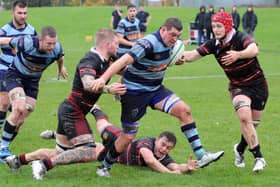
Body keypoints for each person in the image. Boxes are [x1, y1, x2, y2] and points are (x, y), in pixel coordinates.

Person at [90, 17, 224, 177]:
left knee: (184, 111)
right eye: (172, 35)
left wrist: (177, 60)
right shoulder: (147, 43)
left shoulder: (174, 45)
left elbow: (166, 59)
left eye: (178, 36)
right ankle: (105, 166)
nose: (175, 39)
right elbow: (124, 60)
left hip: (155, 90)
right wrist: (103, 79)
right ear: (163, 30)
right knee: (127, 136)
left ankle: (201, 155)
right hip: (134, 93)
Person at [5, 29, 126, 180]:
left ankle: (17, 160)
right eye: (116, 44)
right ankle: (43, 165)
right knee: (88, 150)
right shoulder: (90, 60)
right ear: (108, 45)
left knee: (60, 152)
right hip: (72, 111)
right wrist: (109, 88)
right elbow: (88, 84)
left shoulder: (109, 59)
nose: (118, 47)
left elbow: (126, 68)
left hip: (73, 110)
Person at [179, 11, 268, 172]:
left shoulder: (240, 37)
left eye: (219, 26)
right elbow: (192, 55)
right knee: (244, 118)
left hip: (259, 85)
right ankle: (258, 158)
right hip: (238, 87)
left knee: (252, 125)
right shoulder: (214, 44)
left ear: (227, 25)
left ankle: (240, 149)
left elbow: (254, 50)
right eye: (213, 26)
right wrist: (174, 56)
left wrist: (238, 55)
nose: (216, 29)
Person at [6, 106, 199, 178]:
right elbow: (150, 161)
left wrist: (186, 168)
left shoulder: (162, 154)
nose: (164, 149)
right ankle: (95, 108)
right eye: (163, 144)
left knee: (58, 153)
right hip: (110, 145)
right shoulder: (146, 144)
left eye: (168, 148)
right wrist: (171, 175)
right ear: (156, 140)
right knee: (104, 125)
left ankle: (17, 160)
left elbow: (174, 165)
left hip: (104, 152)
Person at [0, 26, 68, 162]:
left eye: (54, 43)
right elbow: (4, 40)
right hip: (15, 76)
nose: (52, 47)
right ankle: (3, 148)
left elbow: (60, 58)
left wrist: (61, 69)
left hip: (32, 82)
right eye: (49, 43)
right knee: (19, 107)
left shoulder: (57, 49)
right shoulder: (26, 42)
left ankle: (3, 146)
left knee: (22, 117)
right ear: (40, 39)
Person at [0, 0, 37, 137]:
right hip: (5, 68)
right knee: (3, 102)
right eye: (19, 13)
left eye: (25, 13)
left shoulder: (31, 30)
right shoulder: (5, 30)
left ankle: (5, 144)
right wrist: (11, 41)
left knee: (22, 113)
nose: (23, 16)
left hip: (23, 72)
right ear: (13, 13)